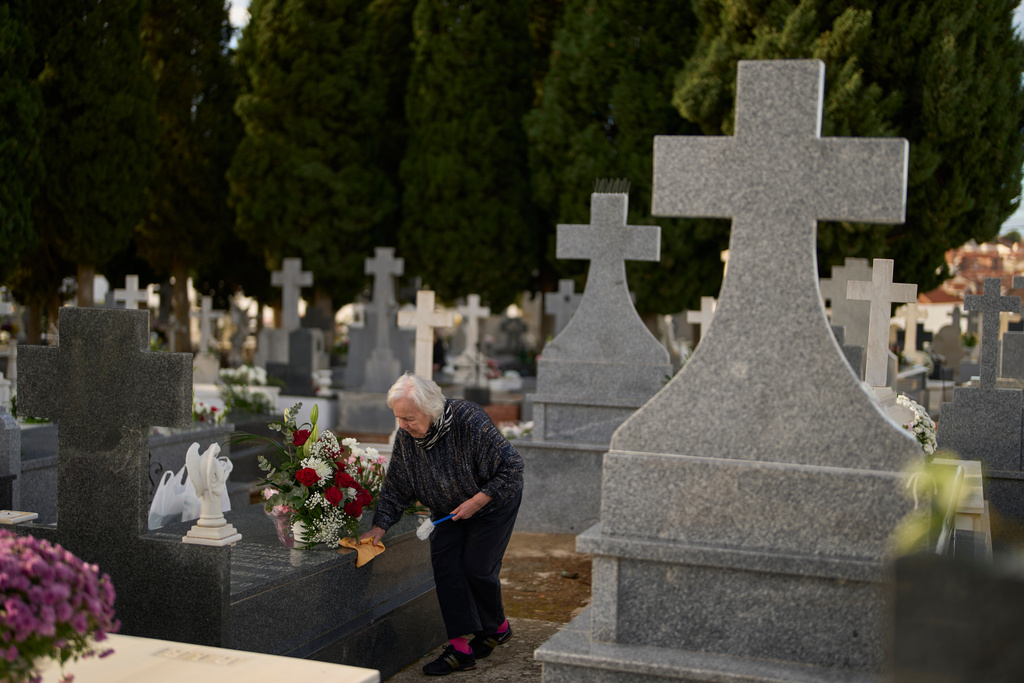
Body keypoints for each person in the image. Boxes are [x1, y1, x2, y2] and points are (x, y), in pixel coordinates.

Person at [360, 373, 524, 676]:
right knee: (447, 567)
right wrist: (378, 528)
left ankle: (496, 627)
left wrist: (477, 501)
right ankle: (461, 650)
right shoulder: (408, 439)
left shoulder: (469, 422)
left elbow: (512, 468)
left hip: (492, 503)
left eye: (409, 418)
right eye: (399, 418)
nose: (403, 426)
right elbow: (397, 487)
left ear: (431, 410)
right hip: (448, 509)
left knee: (476, 568)